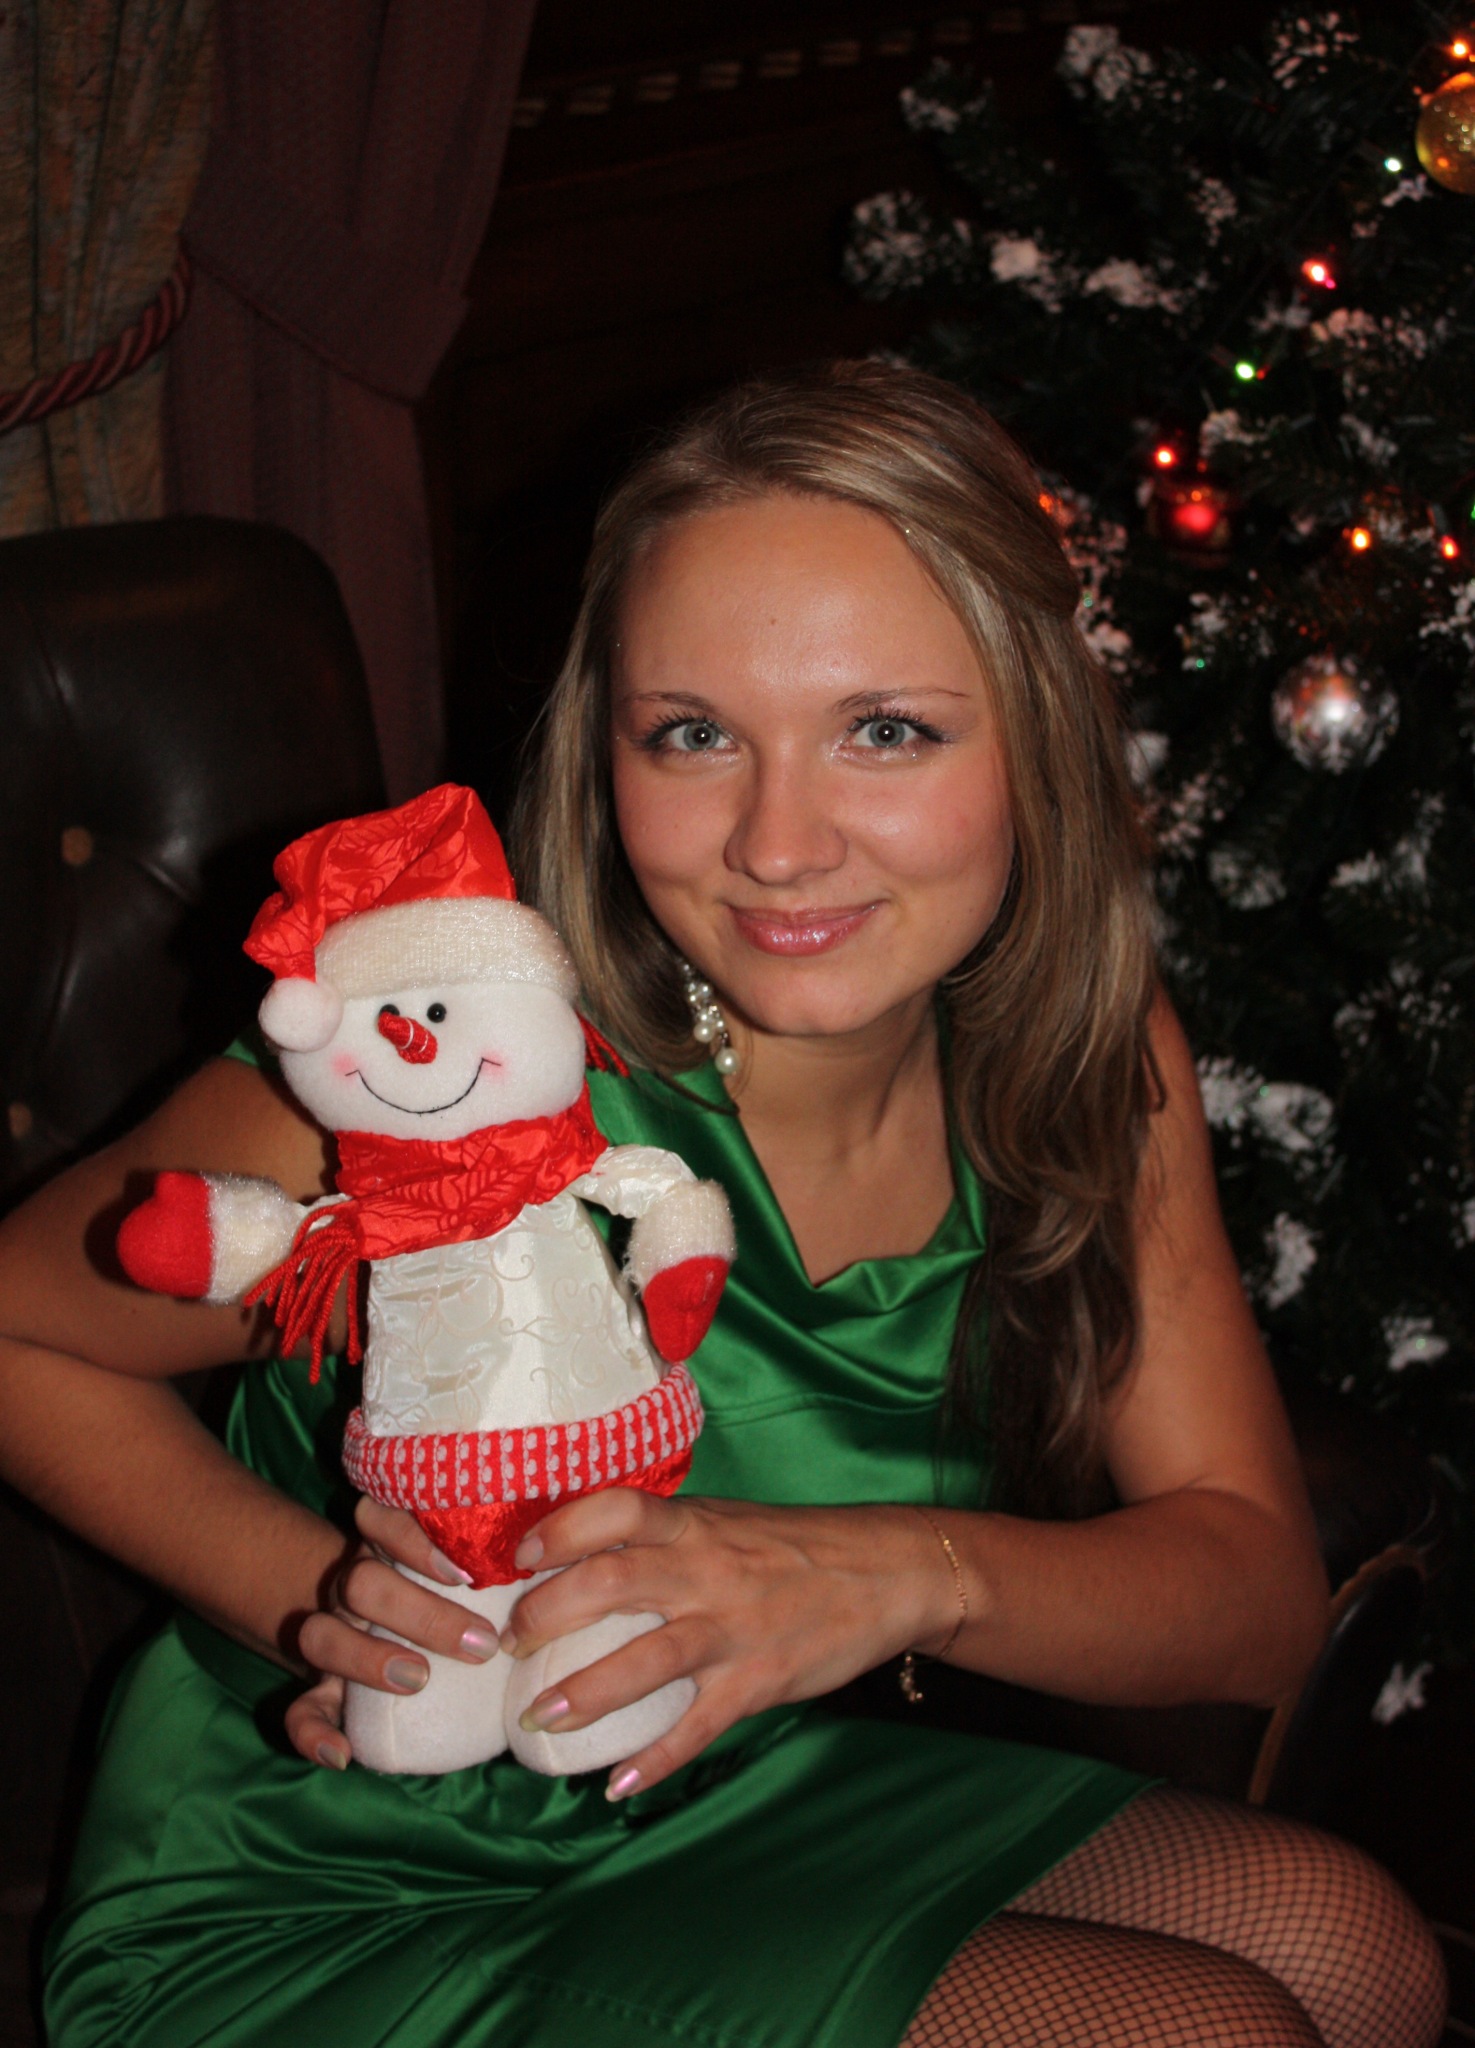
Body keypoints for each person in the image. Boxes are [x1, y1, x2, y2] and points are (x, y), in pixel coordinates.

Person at [0, 363, 1445, 2048]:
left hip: (717, 1777)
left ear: (1038, 739)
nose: (778, 843)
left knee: (1359, 1949)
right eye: (692, 735)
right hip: (327, 1869)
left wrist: (898, 1577)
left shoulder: (1082, 1058)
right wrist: (316, 1601)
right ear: (602, 747)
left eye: (886, 731)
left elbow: (1254, 1597)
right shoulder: (441, 1078)